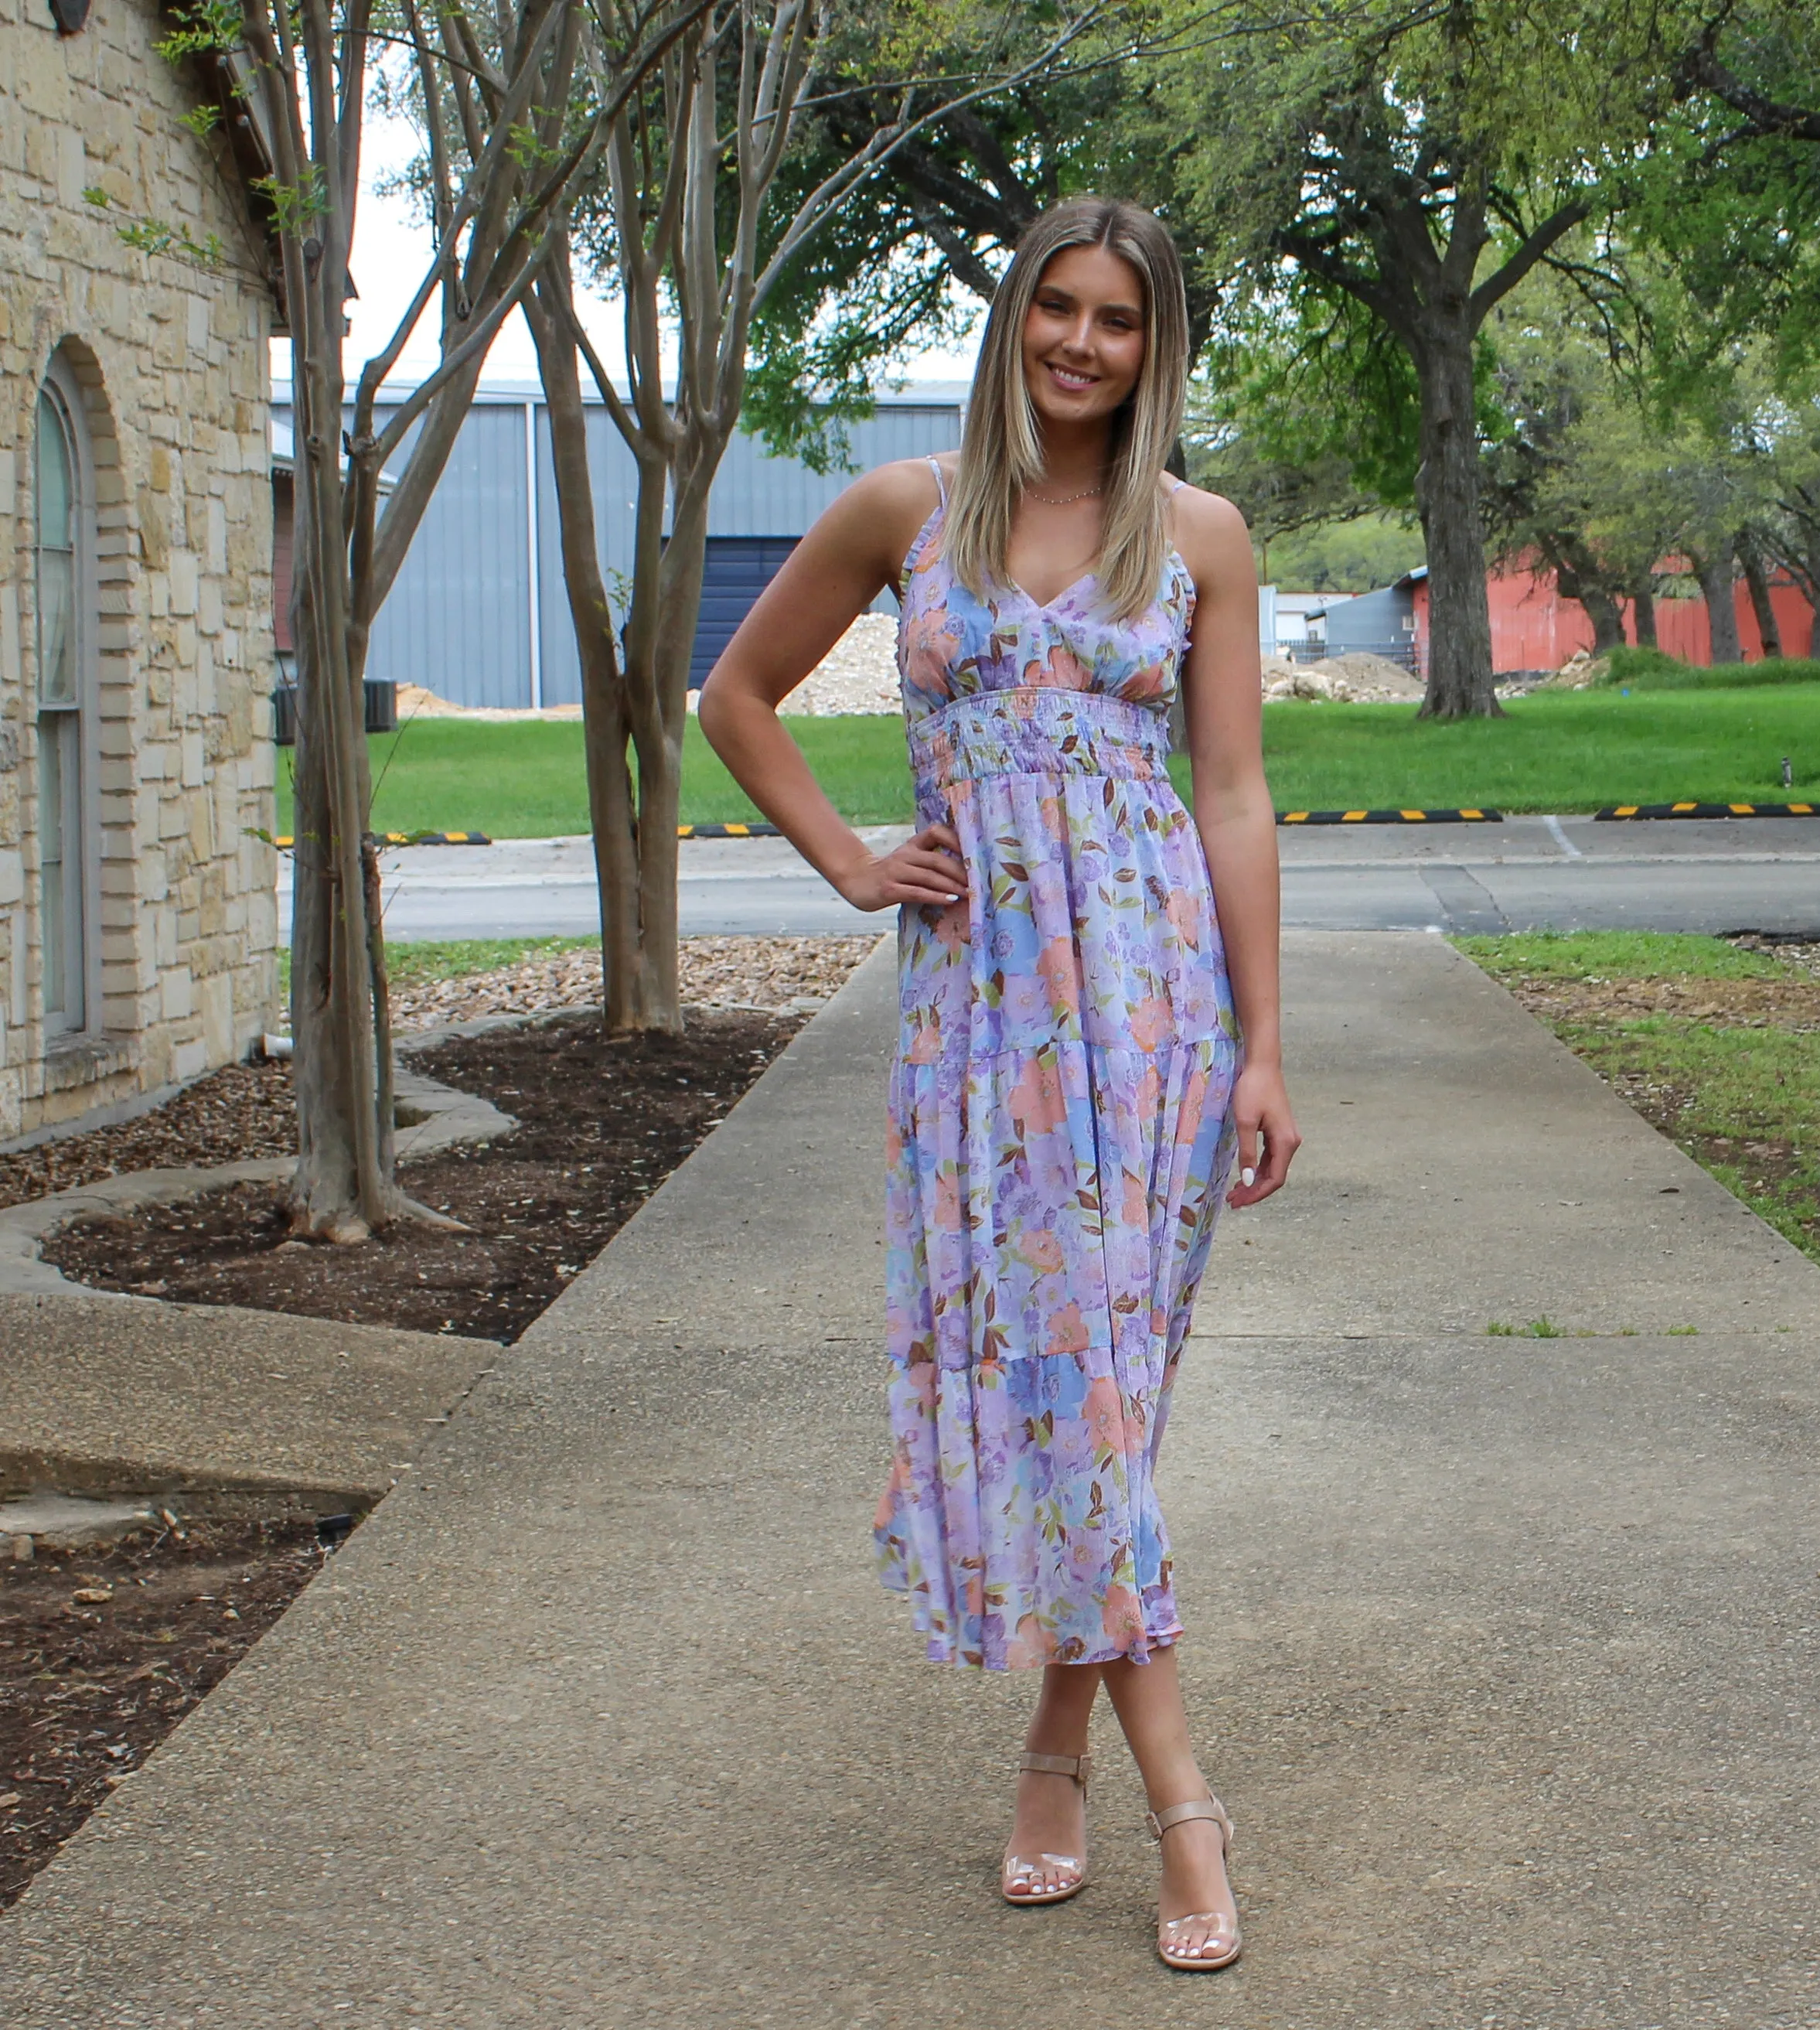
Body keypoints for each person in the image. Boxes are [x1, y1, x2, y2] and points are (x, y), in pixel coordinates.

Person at [700, 195, 1299, 1974]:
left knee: (1101, 1386)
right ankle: (1178, 1791)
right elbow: (735, 695)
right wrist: (849, 860)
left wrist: (1264, 1043)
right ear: (1013, 318)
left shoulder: (1199, 533)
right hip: (980, 1028)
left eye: (1119, 319)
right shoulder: (908, 511)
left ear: (1154, 342)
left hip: (1156, 1016)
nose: (1082, 345)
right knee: (1060, 1386)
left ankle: (1064, 1748)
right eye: (1058, 308)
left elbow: (1237, 797)